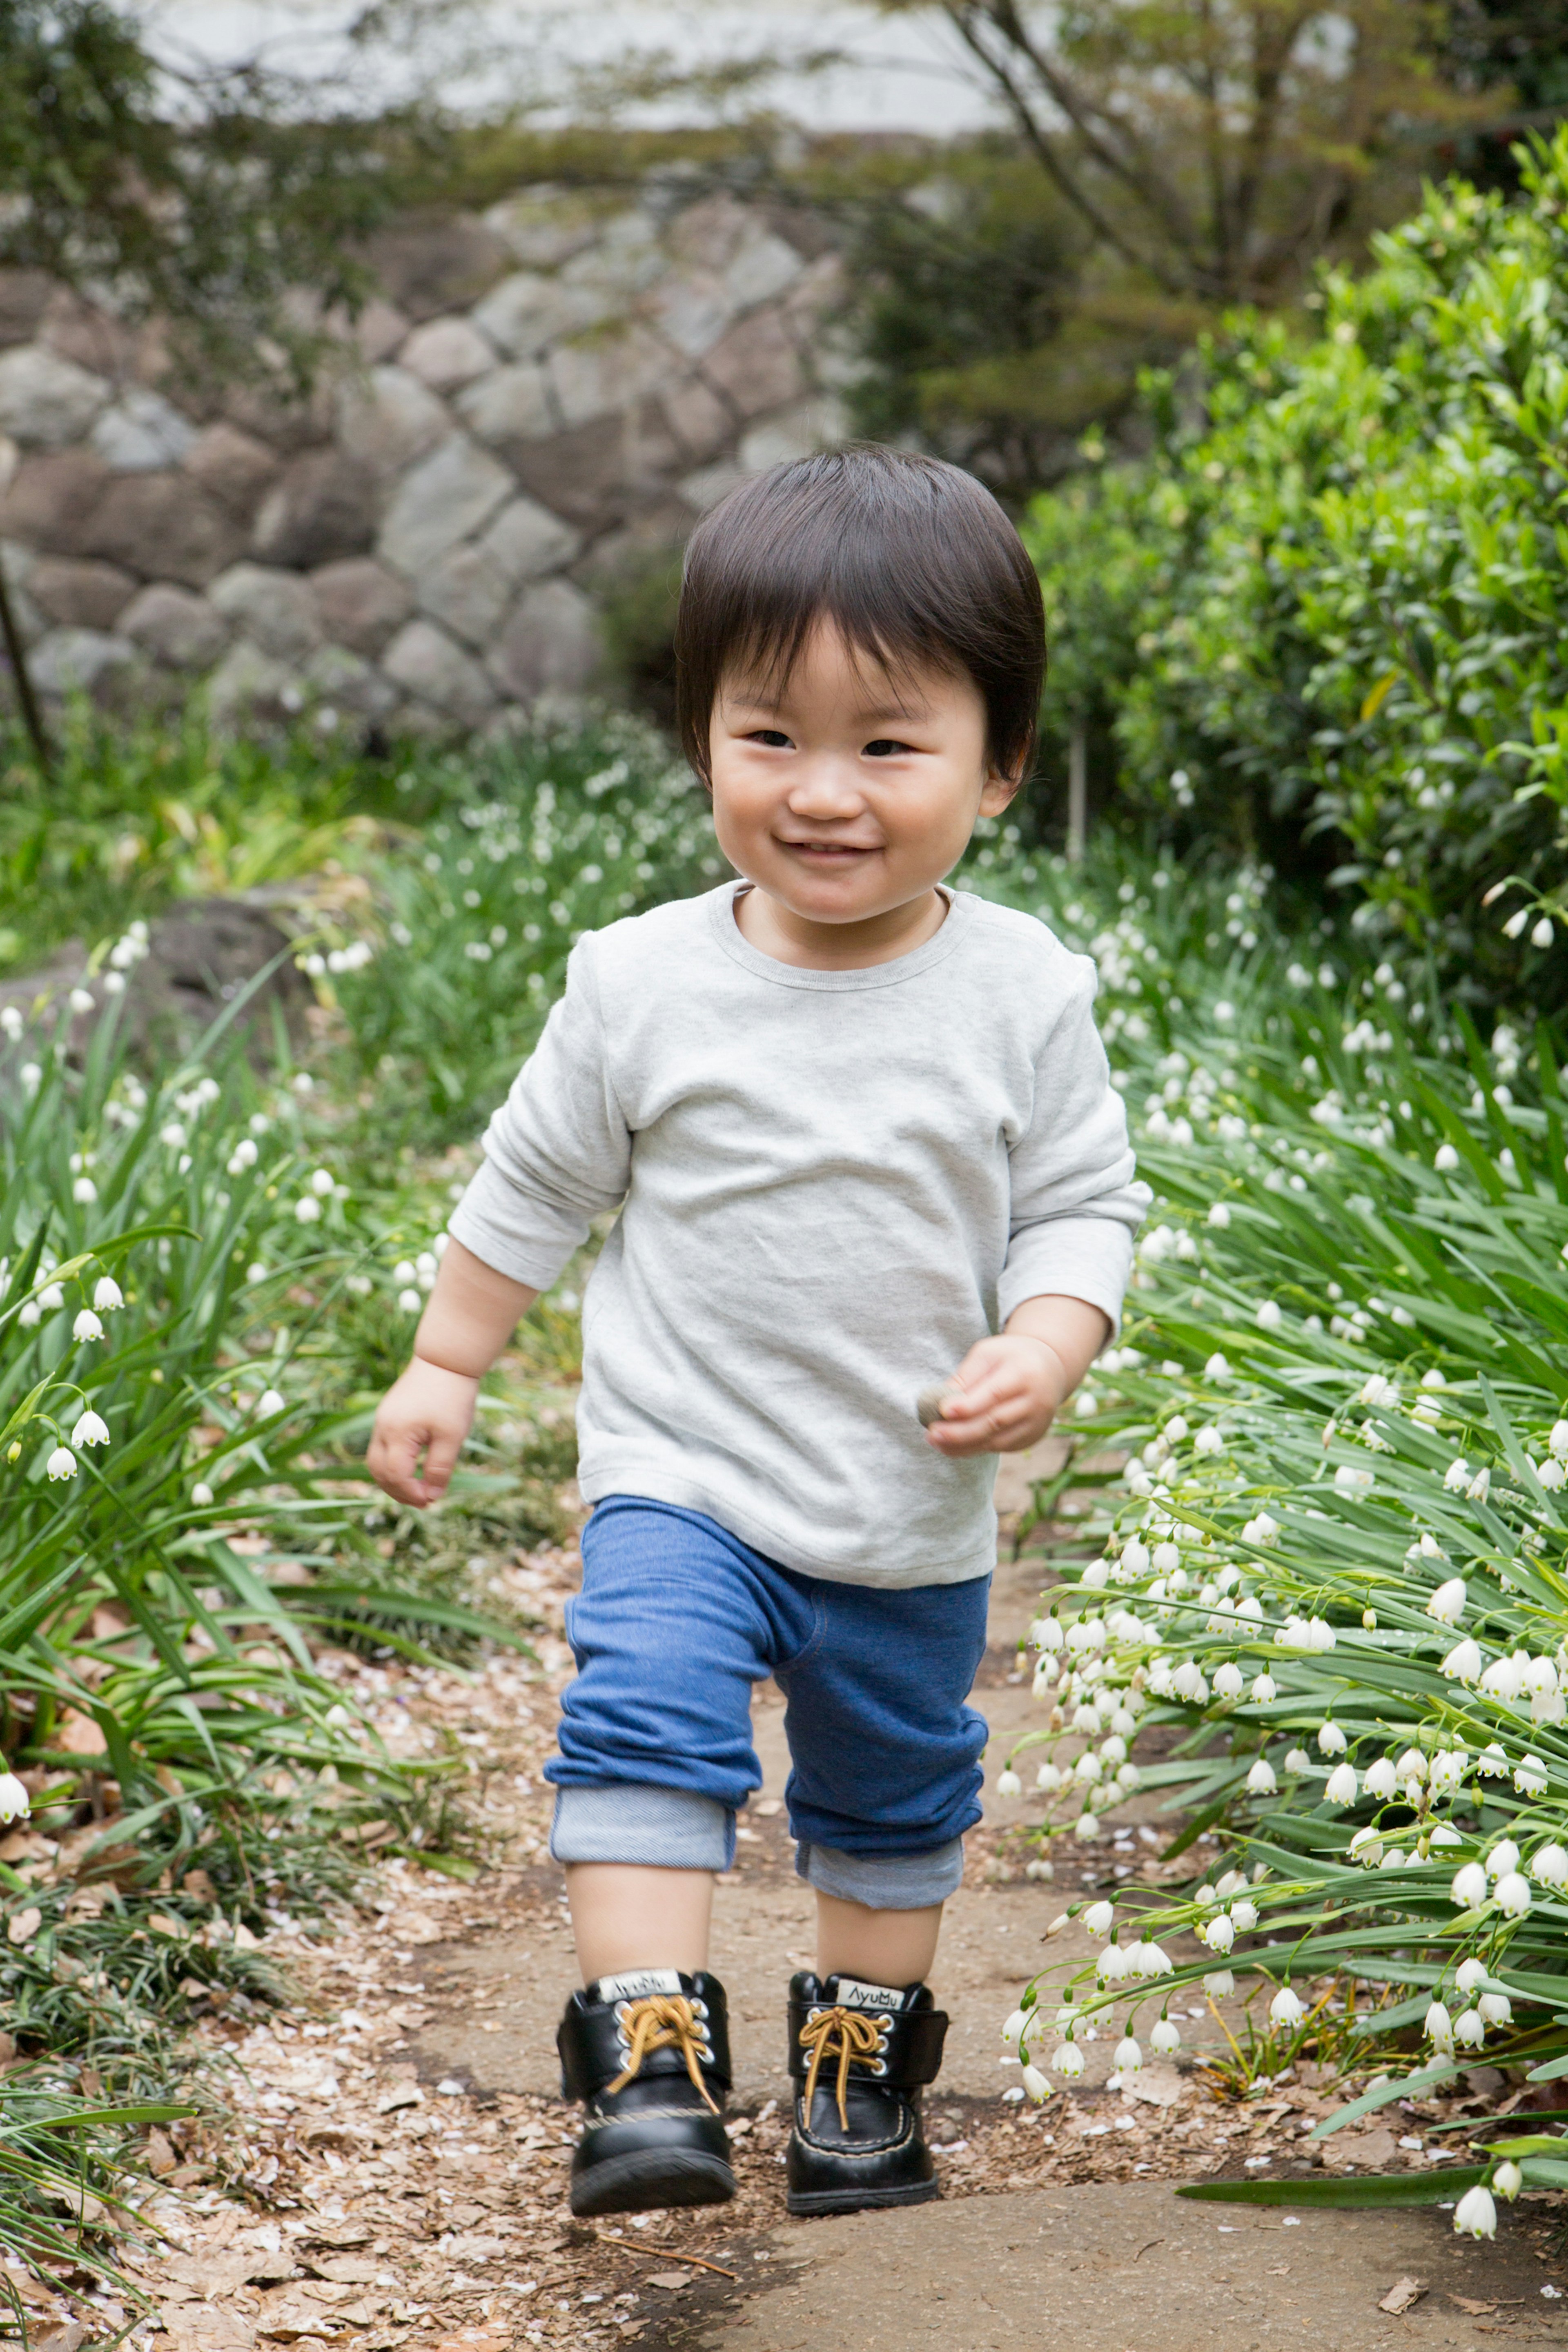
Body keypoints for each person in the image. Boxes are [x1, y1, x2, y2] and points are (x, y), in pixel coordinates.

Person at [367, 445, 1147, 2223]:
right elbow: (534, 1186)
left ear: (1000, 765)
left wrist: (1046, 1342)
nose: (824, 792)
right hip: (685, 1474)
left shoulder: (1023, 992)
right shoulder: (639, 982)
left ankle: (861, 2079)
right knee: (640, 1722)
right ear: (704, 738)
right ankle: (648, 2060)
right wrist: (445, 1359)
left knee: (891, 1792)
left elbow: (1085, 1207)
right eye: (769, 734)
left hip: (904, 1506)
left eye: (890, 743)